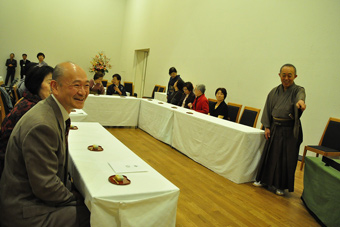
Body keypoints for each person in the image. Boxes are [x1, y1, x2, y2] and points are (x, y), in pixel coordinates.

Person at [0, 62, 91, 226]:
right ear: (55, 87)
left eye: (86, 86)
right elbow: (46, 186)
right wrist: (77, 198)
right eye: (76, 85)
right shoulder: (42, 125)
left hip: (34, 198)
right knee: (96, 214)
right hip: (26, 211)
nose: (83, 92)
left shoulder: (52, 111)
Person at [253, 63, 306, 196]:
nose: (286, 78)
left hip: (289, 130)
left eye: (290, 75)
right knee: (269, 155)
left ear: (295, 76)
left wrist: (301, 102)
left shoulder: (298, 90)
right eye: (284, 75)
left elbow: (301, 96)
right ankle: (264, 180)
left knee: (285, 159)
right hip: (275, 127)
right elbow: (267, 109)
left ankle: (280, 186)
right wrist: (267, 126)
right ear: (279, 75)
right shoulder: (274, 92)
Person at [0, 65, 53, 178]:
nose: (54, 87)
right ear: (36, 84)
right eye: (50, 83)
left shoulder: (27, 100)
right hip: (13, 171)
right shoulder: (31, 109)